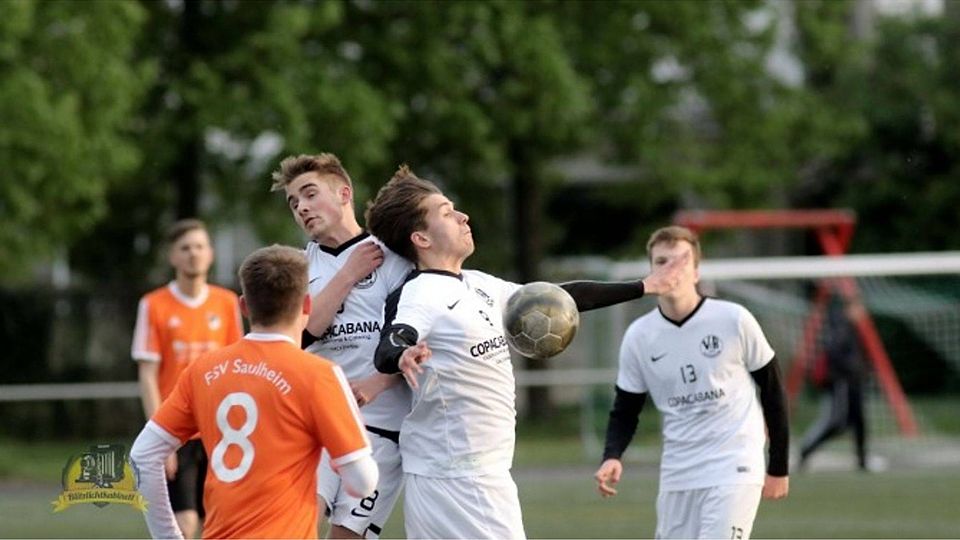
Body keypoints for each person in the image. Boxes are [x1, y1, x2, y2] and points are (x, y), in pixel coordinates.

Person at [364, 165, 686, 539]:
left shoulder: (478, 284)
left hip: (463, 471)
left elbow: (560, 299)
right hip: (462, 476)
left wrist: (644, 286)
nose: (462, 216)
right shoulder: (422, 292)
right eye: (447, 212)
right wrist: (400, 354)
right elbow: (392, 340)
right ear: (420, 237)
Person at [130, 245, 378, 539]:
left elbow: (143, 455)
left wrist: (168, 537)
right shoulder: (319, 374)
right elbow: (362, 482)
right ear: (307, 305)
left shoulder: (202, 370)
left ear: (244, 306)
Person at [593, 225, 790, 540]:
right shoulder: (639, 336)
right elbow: (626, 408)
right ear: (651, 271)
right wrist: (612, 455)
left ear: (696, 272)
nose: (670, 269)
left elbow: (773, 390)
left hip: (734, 464)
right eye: (661, 262)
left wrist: (778, 465)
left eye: (680, 261)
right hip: (678, 472)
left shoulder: (733, 319)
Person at [271, 153, 413, 539]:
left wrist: (377, 383)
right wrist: (349, 274)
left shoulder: (393, 259)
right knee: (292, 525)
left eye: (310, 194)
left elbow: (414, 340)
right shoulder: (299, 267)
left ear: (344, 193)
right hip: (316, 422)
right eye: (294, 202)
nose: (301, 207)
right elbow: (300, 334)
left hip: (381, 428)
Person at [130, 218, 243, 538]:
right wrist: (160, 438)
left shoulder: (226, 302)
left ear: (210, 254)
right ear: (172, 256)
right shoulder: (153, 305)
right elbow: (148, 374)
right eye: (185, 248)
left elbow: (238, 365)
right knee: (185, 522)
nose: (193, 253)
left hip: (220, 429)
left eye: (199, 246)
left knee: (220, 522)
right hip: (177, 429)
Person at [799, 297, 869, 471]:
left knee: (859, 422)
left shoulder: (850, 329)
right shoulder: (841, 328)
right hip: (843, 382)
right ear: (848, 309)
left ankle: (862, 461)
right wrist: (852, 368)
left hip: (853, 382)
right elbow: (835, 354)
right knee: (837, 423)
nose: (861, 312)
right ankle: (806, 450)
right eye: (857, 307)